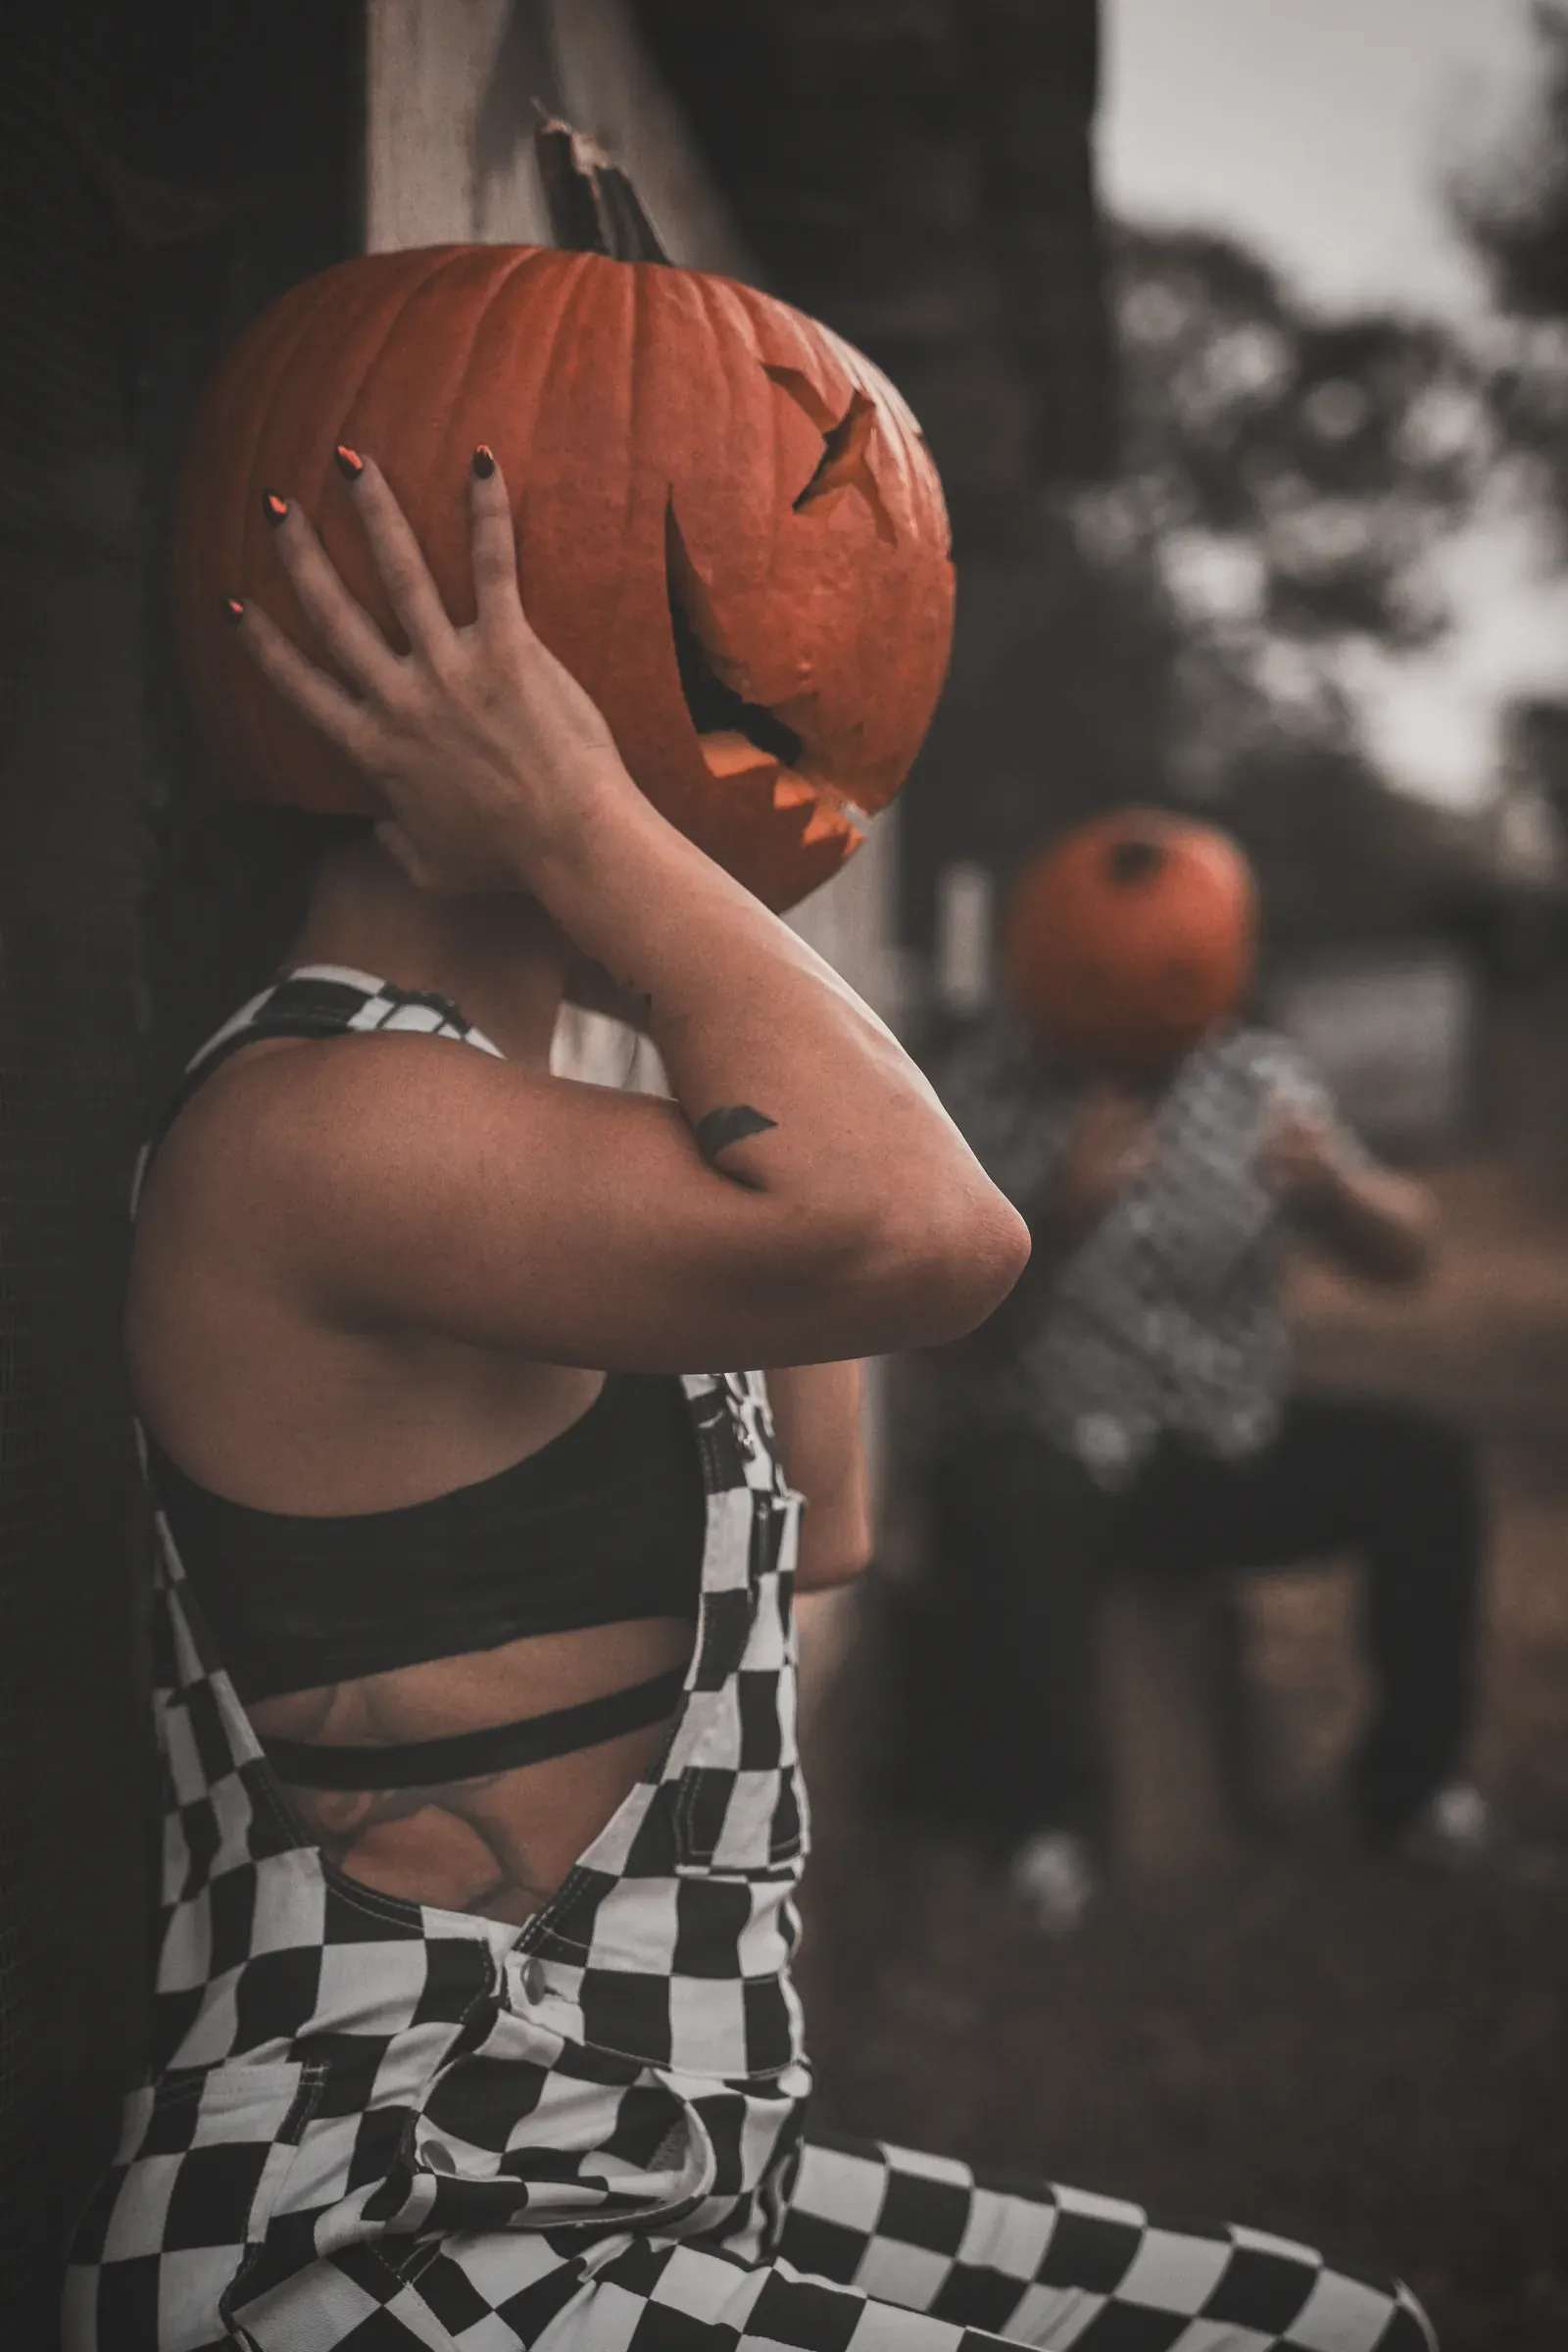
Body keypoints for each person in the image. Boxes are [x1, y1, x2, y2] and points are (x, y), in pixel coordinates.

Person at [65, 454, 1434, 2351]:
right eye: (690, 656)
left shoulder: (532, 1145)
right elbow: (934, 1236)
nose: (780, 705)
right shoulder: (323, 1119)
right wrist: (586, 828)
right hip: (372, 2225)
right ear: (469, 713)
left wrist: (643, 915)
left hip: (610, 2165)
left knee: (1343, 2326)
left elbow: (830, 1514)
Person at [916, 950, 1490, 1937]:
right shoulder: (987, 1090)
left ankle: (1413, 1794)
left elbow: (1410, 1253)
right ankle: (1041, 1830)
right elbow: (936, 1321)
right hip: (1062, 1449)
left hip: (1231, 1442)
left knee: (1428, 1466)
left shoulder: (1258, 1080)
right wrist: (1058, 1215)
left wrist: (1333, 1194)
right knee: (995, 1499)